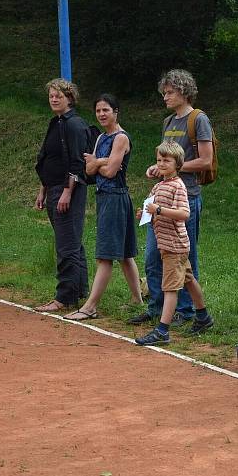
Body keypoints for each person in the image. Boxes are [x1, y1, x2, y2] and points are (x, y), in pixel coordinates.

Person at [128, 69, 214, 333]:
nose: (165, 97)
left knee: (185, 257)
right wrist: (158, 169)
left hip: (186, 195)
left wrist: (174, 168)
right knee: (154, 254)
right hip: (162, 196)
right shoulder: (167, 122)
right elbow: (166, 156)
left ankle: (186, 310)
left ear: (184, 92)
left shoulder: (198, 119)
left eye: (170, 92)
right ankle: (157, 306)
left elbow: (206, 160)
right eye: (164, 92)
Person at [63, 95, 142, 320]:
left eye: (105, 110)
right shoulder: (100, 139)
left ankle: (90, 307)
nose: (101, 114)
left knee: (105, 256)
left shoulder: (121, 138)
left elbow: (109, 171)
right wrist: (99, 163)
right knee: (125, 254)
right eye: (98, 111)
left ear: (116, 111)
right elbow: (87, 171)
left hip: (116, 197)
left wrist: (98, 162)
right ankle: (137, 299)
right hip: (104, 196)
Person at [135, 142, 213, 345]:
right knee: (188, 278)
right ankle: (203, 316)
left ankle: (162, 330)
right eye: (159, 160)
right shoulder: (159, 185)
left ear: (177, 164)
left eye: (166, 160)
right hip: (167, 244)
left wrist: (159, 210)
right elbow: (153, 210)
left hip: (174, 245)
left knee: (170, 287)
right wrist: (144, 214)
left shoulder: (178, 186)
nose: (161, 164)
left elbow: (184, 214)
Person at [33, 78, 90, 312]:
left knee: (67, 245)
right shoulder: (56, 123)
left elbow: (78, 162)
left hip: (68, 190)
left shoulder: (74, 125)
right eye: (51, 96)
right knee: (71, 243)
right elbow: (49, 158)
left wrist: (68, 190)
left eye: (59, 96)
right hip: (53, 187)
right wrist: (43, 189)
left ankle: (65, 297)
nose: (54, 99)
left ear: (70, 98)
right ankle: (79, 291)